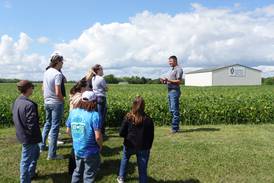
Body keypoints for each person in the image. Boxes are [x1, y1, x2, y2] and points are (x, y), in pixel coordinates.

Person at [66, 91, 103, 183]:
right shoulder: (95, 115)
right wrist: (100, 146)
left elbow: (68, 131)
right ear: (94, 102)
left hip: (77, 149)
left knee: (77, 171)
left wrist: (76, 139)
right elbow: (98, 137)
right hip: (91, 151)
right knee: (89, 175)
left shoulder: (73, 112)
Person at [117, 96, 154, 183]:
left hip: (129, 145)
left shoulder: (128, 117)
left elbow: (121, 133)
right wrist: (148, 147)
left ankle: (121, 177)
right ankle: (143, 180)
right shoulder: (148, 119)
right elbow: (151, 136)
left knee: (125, 158)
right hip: (143, 147)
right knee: (143, 168)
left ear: (133, 105)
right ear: (143, 106)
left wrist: (127, 137)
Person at [12, 80, 42, 183]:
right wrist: (34, 138)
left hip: (22, 134)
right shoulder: (29, 105)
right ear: (28, 89)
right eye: (32, 87)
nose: (33, 89)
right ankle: (24, 180)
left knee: (36, 153)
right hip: (29, 137)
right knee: (26, 160)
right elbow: (32, 124)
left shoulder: (17, 101)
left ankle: (31, 173)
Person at [40, 54, 65, 160]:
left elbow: (42, 88)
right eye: (62, 61)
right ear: (58, 62)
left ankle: (41, 147)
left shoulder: (46, 72)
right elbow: (58, 91)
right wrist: (62, 100)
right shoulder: (57, 74)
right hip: (56, 103)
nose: (63, 63)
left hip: (47, 102)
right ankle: (52, 154)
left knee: (47, 124)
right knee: (55, 128)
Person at [160, 55, 183, 133]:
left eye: (171, 61)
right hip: (170, 91)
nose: (169, 62)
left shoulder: (178, 69)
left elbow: (179, 81)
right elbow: (169, 80)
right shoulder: (171, 70)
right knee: (172, 110)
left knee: (175, 110)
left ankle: (175, 128)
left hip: (174, 91)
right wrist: (164, 81)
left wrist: (168, 80)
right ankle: (176, 127)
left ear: (175, 61)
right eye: (169, 61)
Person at [91, 64, 108, 135]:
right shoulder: (101, 79)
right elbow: (106, 88)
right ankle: (100, 131)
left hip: (95, 98)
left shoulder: (93, 78)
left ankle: (96, 130)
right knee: (101, 116)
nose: (102, 71)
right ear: (98, 70)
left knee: (96, 115)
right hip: (101, 97)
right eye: (101, 69)